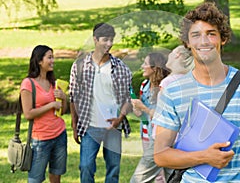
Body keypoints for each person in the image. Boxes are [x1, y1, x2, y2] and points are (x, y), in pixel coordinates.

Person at [152, 2, 240, 182]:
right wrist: (204, 157)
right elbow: (161, 155)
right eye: (196, 35)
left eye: (211, 34)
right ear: (187, 42)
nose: (203, 41)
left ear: (222, 38)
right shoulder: (173, 92)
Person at [69, 22, 132, 183]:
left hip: (113, 127)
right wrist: (74, 125)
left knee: (113, 169)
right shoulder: (80, 66)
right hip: (90, 126)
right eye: (105, 40)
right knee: (85, 166)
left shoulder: (120, 68)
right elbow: (73, 96)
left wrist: (120, 118)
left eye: (111, 40)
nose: (109, 44)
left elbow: (127, 99)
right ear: (95, 39)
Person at [20, 45, 68, 183]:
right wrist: (51, 105)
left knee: (56, 176)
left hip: (59, 135)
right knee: (35, 179)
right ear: (39, 61)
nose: (53, 60)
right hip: (41, 139)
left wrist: (63, 98)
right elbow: (28, 114)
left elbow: (61, 112)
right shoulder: (28, 84)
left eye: (53, 57)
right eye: (50, 57)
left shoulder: (53, 82)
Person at [130, 52, 170, 183]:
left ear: (154, 68)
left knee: (165, 172)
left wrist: (143, 107)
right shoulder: (144, 85)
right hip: (146, 134)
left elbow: (161, 116)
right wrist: (136, 107)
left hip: (160, 135)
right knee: (157, 174)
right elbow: (141, 114)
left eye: (145, 64)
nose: (142, 66)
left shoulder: (164, 87)